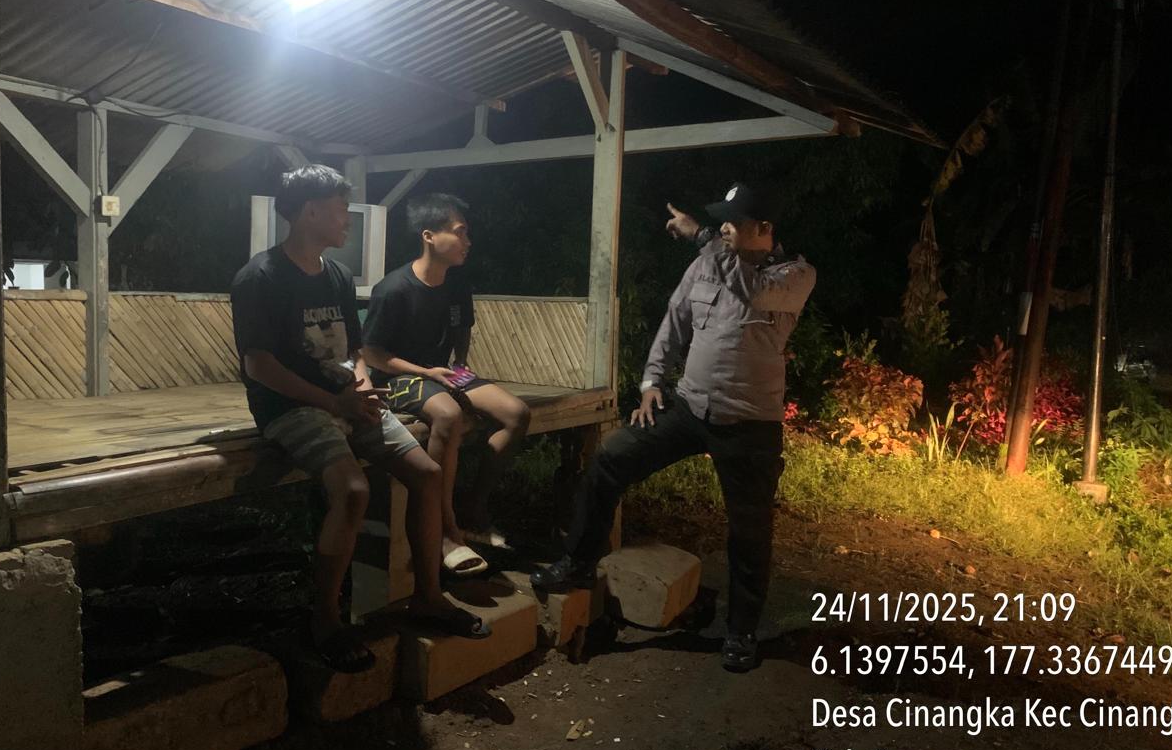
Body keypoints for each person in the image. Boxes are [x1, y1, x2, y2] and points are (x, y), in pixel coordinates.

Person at [531, 182, 816, 672]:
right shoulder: (707, 261)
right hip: (690, 407)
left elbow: (749, 291)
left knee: (749, 530)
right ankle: (577, 563)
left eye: (734, 221)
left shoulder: (793, 274)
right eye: (721, 221)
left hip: (750, 424)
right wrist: (650, 382)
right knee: (611, 458)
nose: (724, 228)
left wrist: (702, 237)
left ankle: (741, 630)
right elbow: (676, 320)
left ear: (764, 228)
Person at [230, 166, 489, 673]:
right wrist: (335, 404)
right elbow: (258, 365)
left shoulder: (337, 276)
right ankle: (325, 620)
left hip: (346, 398)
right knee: (352, 491)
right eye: (340, 209)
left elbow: (355, 350)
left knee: (428, 474)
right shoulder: (259, 278)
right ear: (310, 212)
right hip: (289, 407)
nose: (348, 220)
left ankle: (428, 597)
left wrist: (362, 384)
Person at [361, 192, 531, 577]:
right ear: (429, 236)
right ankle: (444, 526)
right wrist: (425, 373)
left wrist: (461, 365)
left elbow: (462, 327)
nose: (467, 241)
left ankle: (474, 510)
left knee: (516, 413)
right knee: (449, 415)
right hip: (398, 377)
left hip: (445, 371)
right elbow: (371, 353)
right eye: (460, 232)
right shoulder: (394, 289)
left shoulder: (457, 283)